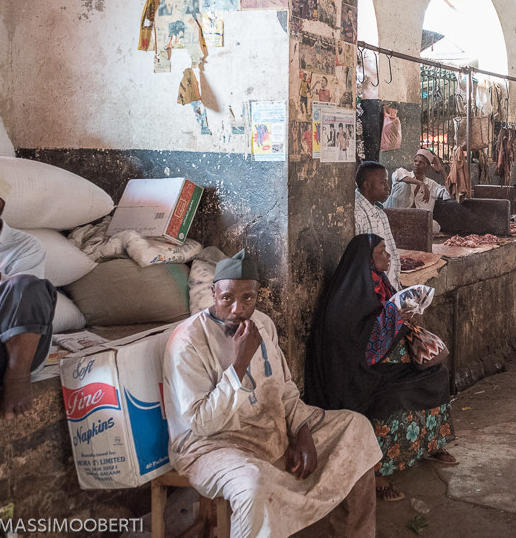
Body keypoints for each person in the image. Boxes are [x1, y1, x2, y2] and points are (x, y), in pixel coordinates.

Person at [163, 250, 381, 538]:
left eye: (248, 299)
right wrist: (240, 363)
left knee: (356, 428)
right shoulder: (188, 341)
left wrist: (301, 429)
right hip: (211, 446)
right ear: (213, 292)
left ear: (257, 296)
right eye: (227, 298)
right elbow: (202, 424)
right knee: (254, 487)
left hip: (269, 429)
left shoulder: (263, 324)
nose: (238, 309)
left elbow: (284, 387)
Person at [305, 234, 456, 503]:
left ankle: (430, 444)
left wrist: (401, 318)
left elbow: (383, 323)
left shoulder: (380, 284)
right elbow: (356, 344)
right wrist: (392, 319)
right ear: (367, 259)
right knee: (391, 396)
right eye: (382, 251)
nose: (388, 256)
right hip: (355, 374)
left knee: (437, 375)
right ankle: (374, 471)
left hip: (382, 364)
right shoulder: (347, 296)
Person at [0, 174, 56, 419]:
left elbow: (15, 301)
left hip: (12, 348)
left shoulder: (26, 245)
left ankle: (17, 377)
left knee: (27, 285)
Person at [354, 161, 401, 286]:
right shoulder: (357, 214)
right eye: (382, 183)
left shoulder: (380, 212)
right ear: (367, 185)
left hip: (389, 287)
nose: (387, 187)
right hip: (374, 291)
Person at [385, 149, 452, 235]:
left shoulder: (431, 184)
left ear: (427, 167)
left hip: (414, 220)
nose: (417, 163)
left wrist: (442, 170)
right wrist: (421, 184)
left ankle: (407, 230)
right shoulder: (403, 172)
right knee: (404, 185)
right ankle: (396, 225)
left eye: (421, 162)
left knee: (434, 226)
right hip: (394, 216)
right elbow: (399, 177)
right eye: (415, 161)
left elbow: (448, 194)